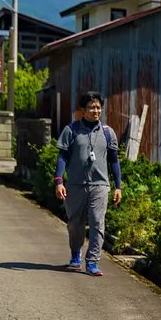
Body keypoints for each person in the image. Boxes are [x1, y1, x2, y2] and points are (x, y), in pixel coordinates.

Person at [53, 91, 122, 277]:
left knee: (98, 223)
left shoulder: (108, 133)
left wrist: (118, 186)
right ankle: (76, 252)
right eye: (92, 107)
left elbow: (114, 161)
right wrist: (59, 181)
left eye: (98, 107)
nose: (96, 110)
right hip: (75, 185)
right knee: (75, 224)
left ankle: (92, 261)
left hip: (100, 185)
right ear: (83, 111)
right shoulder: (71, 130)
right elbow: (62, 157)